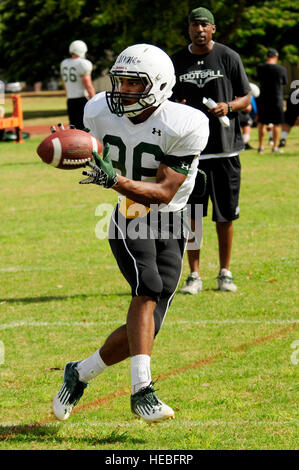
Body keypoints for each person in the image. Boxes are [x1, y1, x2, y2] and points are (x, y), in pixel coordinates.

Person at [52, 44, 209, 424]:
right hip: (130, 210)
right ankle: (142, 390)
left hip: (172, 212)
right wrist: (72, 147)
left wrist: (115, 178)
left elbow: (165, 192)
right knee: (148, 288)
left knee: (151, 323)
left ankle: (81, 372)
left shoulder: (186, 122)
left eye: (133, 84)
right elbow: (94, 148)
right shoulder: (98, 109)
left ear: (158, 85)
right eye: (119, 81)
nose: (122, 90)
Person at [170, 6, 251, 294]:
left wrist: (227, 106)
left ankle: (225, 272)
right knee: (192, 215)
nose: (200, 30)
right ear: (189, 28)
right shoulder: (177, 61)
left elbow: (245, 96)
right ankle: (194, 275)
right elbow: (165, 99)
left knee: (225, 215)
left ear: (213, 29)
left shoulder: (228, 57)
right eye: (195, 25)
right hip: (192, 152)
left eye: (205, 25)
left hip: (225, 150)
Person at [256, 48, 288, 154]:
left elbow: (258, 79)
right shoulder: (281, 69)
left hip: (263, 98)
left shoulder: (260, 68)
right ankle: (274, 147)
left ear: (267, 57)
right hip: (276, 98)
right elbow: (284, 83)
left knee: (261, 122)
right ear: (276, 57)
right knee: (277, 123)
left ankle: (260, 147)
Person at [60, 40, 95, 129]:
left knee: (74, 128)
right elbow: (88, 84)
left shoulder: (64, 63)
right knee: (86, 128)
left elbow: (64, 82)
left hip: (70, 100)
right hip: (82, 99)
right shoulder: (82, 63)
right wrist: (94, 100)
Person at [239, 83, 259, 150]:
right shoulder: (250, 93)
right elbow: (252, 108)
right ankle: (245, 144)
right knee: (246, 125)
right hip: (241, 110)